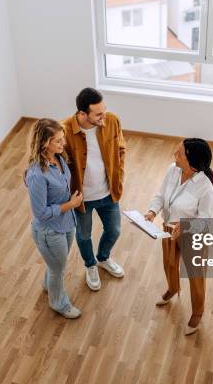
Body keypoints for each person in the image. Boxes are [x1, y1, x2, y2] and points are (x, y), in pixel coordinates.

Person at [144, 138, 213, 335]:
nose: (174, 156)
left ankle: (197, 312)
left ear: (192, 162)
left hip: (193, 234)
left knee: (195, 275)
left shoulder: (206, 189)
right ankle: (173, 288)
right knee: (169, 262)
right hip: (169, 228)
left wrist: (184, 227)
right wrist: (152, 212)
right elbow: (161, 195)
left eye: (179, 154)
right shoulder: (172, 170)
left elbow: (205, 221)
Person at [62, 88, 126, 291]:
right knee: (83, 236)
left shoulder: (112, 120)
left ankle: (103, 258)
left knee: (114, 230)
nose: (103, 116)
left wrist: (119, 175)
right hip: (82, 198)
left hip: (108, 192)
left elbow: (121, 148)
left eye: (104, 110)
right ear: (82, 114)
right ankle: (90, 266)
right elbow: (52, 160)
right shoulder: (63, 130)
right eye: (98, 114)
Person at [25, 118, 84, 319]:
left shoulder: (58, 158)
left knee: (56, 265)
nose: (63, 143)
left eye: (62, 139)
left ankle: (48, 284)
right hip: (49, 231)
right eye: (58, 141)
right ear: (44, 143)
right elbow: (40, 213)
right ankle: (59, 303)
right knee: (59, 268)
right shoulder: (37, 175)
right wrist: (71, 205)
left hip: (67, 223)